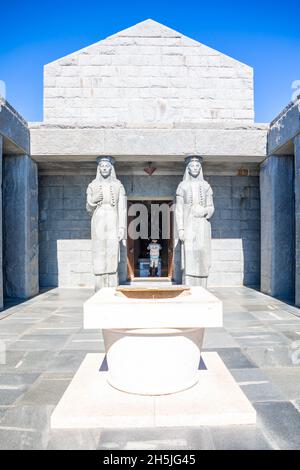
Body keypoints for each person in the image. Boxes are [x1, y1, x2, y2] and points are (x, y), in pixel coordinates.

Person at [86, 156, 126, 291]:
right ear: (99, 168)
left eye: (107, 166)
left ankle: (111, 280)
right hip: (98, 218)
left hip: (112, 217)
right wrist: (93, 200)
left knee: (112, 247)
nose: (104, 168)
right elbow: (88, 207)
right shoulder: (92, 185)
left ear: (111, 168)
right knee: (99, 248)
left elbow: (122, 207)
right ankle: (99, 281)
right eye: (102, 166)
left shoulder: (118, 185)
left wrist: (122, 227)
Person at [175, 156, 214, 287]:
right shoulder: (183, 186)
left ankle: (203, 284)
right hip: (189, 223)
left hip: (202, 223)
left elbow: (211, 207)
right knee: (190, 252)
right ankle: (190, 284)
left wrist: (205, 211)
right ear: (188, 168)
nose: (195, 168)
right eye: (192, 166)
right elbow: (179, 209)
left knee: (202, 251)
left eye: (197, 166)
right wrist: (180, 229)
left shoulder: (206, 186)